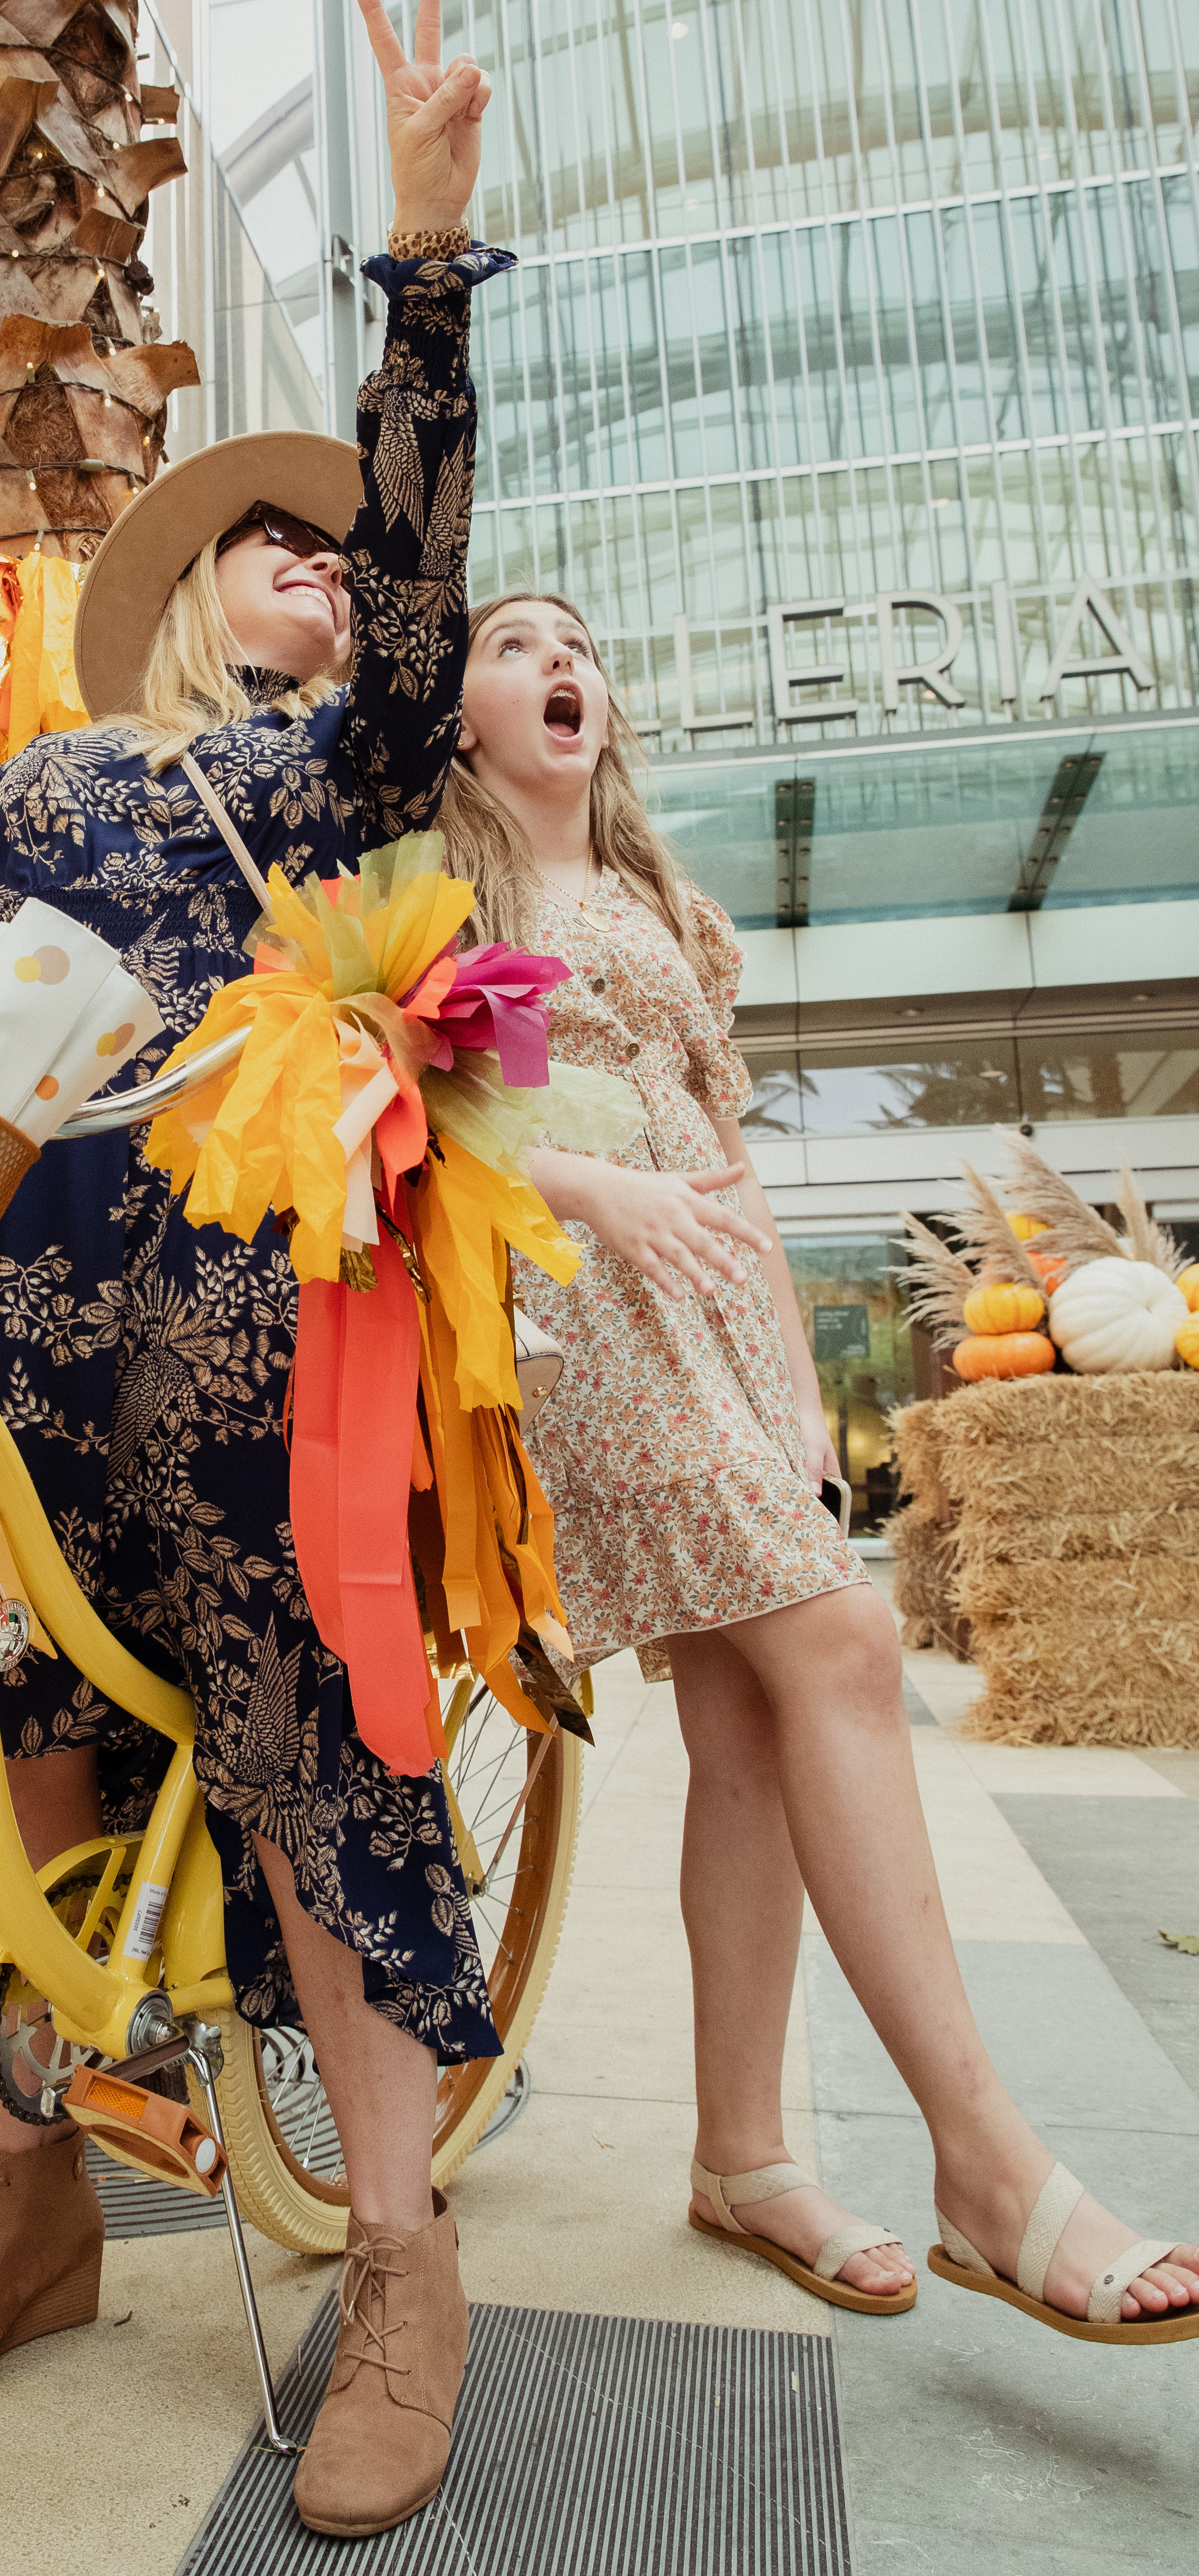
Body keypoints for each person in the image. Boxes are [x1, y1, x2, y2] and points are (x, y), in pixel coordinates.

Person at [0, 0, 516, 2538]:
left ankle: (405, 2243)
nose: (319, 572)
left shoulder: (346, 767)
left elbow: (433, 603)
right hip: (7, 1322)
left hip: (253, 1325)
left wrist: (425, 259)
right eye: (273, 539)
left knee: (299, 1689)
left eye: (336, 550)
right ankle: (23, 2201)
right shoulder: (31, 788)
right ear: (175, 591)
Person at [438, 589, 1199, 2344]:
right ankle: (990, 2163)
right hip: (574, 1317)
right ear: (461, 717)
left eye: (578, 644)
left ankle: (742, 2158)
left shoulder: (659, 908)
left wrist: (791, 1378)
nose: (560, 663)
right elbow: (438, 1123)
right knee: (845, 1651)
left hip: (708, 1325)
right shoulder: (447, 890)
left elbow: (724, 1152)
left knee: (748, 1722)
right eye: (510, 646)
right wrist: (593, 1200)